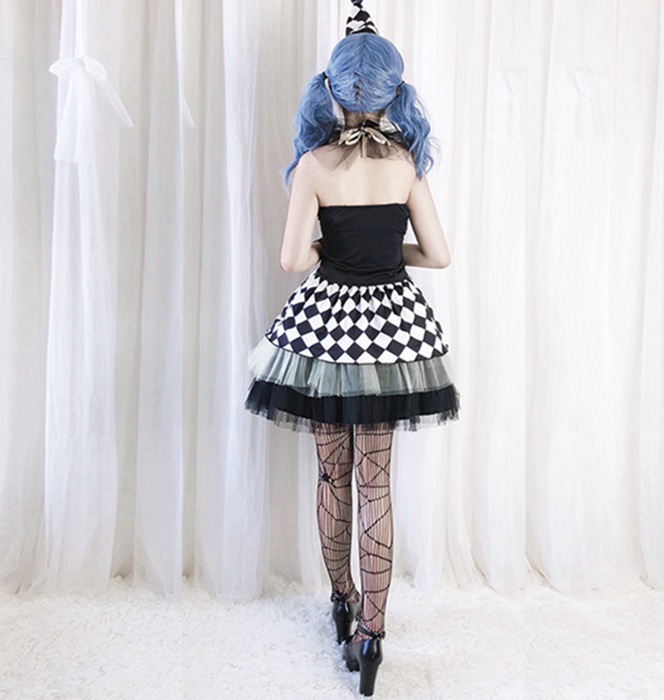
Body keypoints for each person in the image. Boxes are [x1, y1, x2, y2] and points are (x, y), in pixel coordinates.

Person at [244, 1, 460, 695]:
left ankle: (340, 601)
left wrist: (333, 246)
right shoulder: (405, 164)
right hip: (392, 329)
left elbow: (290, 261)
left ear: (333, 91)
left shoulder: (314, 164)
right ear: (394, 92)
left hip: (327, 325)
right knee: (376, 481)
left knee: (332, 475)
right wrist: (383, 253)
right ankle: (373, 634)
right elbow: (438, 255)